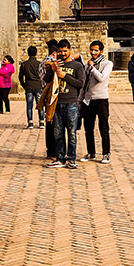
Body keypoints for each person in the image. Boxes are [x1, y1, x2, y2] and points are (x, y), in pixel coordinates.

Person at [46, 39, 85, 169]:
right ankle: (60, 158)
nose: (62, 53)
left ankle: (71, 158)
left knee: (72, 133)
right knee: (58, 132)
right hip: (57, 102)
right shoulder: (56, 64)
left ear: (69, 50)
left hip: (71, 103)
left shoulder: (77, 66)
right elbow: (46, 80)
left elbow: (81, 83)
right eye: (60, 51)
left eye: (65, 51)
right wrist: (52, 69)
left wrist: (64, 76)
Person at [79, 40, 113, 164]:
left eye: (96, 50)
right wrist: (80, 99)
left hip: (101, 99)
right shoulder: (87, 65)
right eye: (92, 50)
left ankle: (106, 153)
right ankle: (91, 152)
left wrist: (92, 67)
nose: (93, 52)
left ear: (101, 51)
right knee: (88, 128)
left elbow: (102, 78)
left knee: (103, 128)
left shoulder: (107, 63)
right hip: (88, 100)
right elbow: (84, 83)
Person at [19, 45, 44, 128]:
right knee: (40, 104)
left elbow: (20, 77)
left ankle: (30, 122)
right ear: (36, 53)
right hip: (38, 86)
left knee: (29, 105)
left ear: (28, 53)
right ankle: (41, 121)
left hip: (29, 86)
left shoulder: (24, 64)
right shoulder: (40, 64)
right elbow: (43, 76)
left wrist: (24, 85)